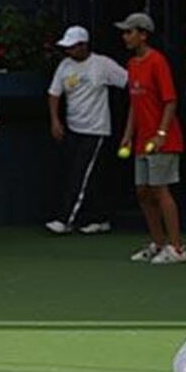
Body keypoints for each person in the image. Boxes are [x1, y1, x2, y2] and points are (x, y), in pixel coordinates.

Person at [116, 12, 186, 264]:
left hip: (163, 140)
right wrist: (127, 136)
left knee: (160, 190)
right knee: (143, 192)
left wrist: (160, 134)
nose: (125, 37)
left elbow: (170, 100)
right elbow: (135, 105)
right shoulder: (133, 65)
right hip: (141, 141)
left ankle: (176, 248)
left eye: (129, 32)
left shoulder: (158, 62)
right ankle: (158, 243)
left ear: (143, 34)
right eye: (124, 32)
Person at [45, 25, 128, 235]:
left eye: (73, 47)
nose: (69, 51)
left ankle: (66, 219)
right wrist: (55, 121)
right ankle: (99, 218)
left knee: (80, 174)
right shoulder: (64, 66)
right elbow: (54, 94)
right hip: (74, 128)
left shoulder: (103, 64)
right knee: (89, 175)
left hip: (96, 129)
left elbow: (129, 81)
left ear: (84, 45)